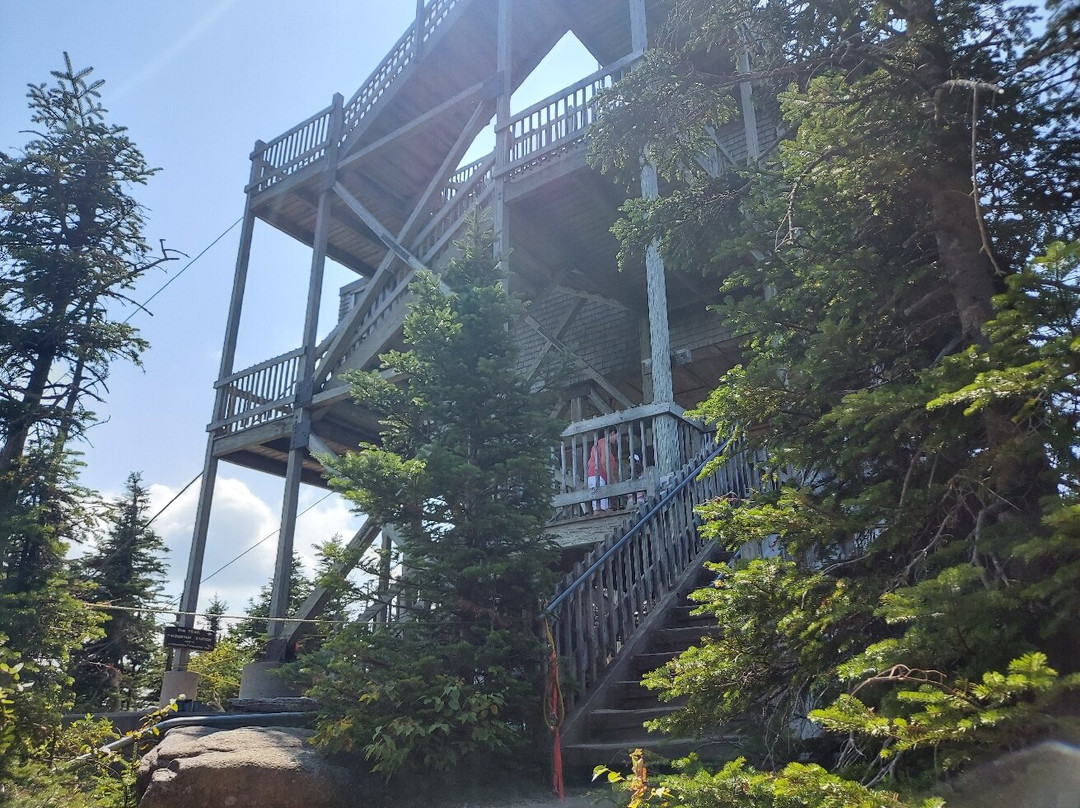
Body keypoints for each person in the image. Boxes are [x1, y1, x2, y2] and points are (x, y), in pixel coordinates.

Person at [587, 427, 619, 512]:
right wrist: (611, 477)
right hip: (598, 477)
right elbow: (604, 461)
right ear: (612, 433)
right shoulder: (604, 442)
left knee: (600, 508)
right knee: (600, 510)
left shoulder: (597, 444)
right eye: (616, 435)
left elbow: (589, 462)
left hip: (594, 477)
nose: (616, 438)